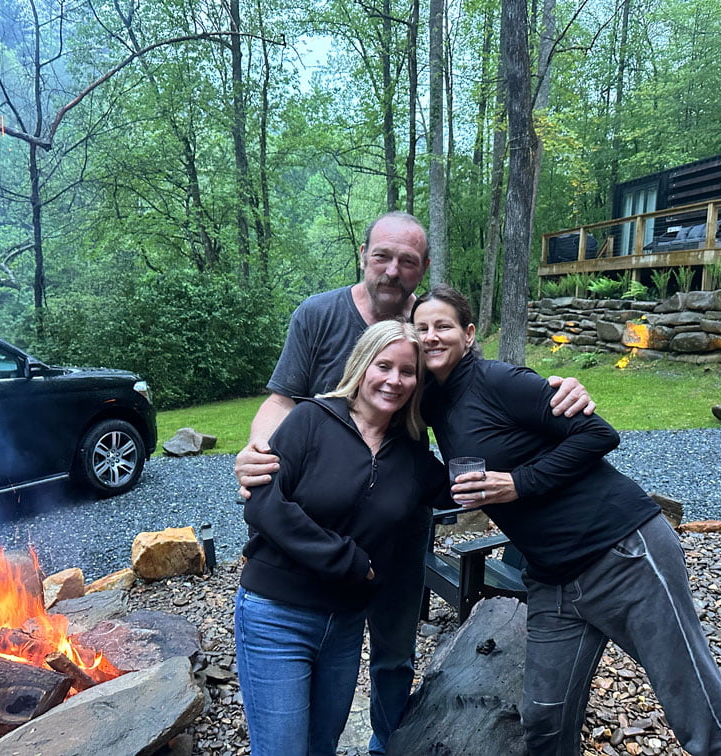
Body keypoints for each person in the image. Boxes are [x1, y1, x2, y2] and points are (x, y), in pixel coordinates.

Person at [235, 210, 595, 754]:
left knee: (393, 649)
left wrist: (555, 398)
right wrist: (259, 453)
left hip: (398, 507)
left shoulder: (429, 328)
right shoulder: (319, 323)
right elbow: (283, 400)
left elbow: (478, 386)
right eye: (383, 256)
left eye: (408, 261)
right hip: (316, 523)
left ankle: (392, 743)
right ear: (364, 255)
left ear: (422, 267)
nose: (393, 269)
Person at [412, 284, 721, 756]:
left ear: (469, 333)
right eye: (422, 329)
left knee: (697, 711)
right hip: (553, 580)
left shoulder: (499, 381)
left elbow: (597, 433)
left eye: (443, 326)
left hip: (622, 553)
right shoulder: (434, 402)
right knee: (544, 721)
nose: (432, 336)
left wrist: (519, 482)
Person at [235, 319, 451, 755]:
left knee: (322, 746)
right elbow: (262, 505)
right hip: (278, 615)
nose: (394, 380)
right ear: (362, 365)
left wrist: (537, 427)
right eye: (383, 365)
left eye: (407, 372)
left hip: (345, 625)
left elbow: (467, 483)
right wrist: (349, 561)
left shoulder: (410, 454)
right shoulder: (312, 420)